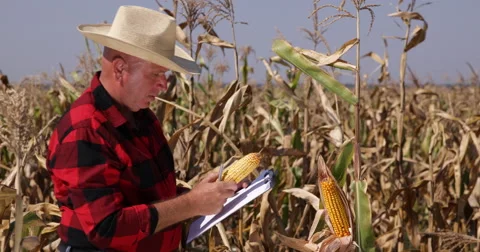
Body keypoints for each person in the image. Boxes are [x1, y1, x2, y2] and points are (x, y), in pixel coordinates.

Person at [46, 5, 239, 252]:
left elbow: (147, 199)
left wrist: (209, 193)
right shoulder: (85, 130)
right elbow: (106, 228)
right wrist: (192, 203)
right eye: (157, 74)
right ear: (120, 69)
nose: (164, 85)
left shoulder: (142, 117)